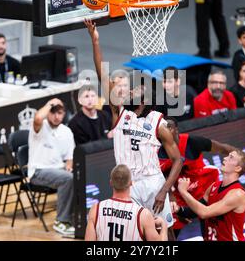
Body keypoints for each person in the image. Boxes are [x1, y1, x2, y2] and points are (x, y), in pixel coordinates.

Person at [85, 19, 183, 233]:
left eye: (134, 90)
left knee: (165, 231)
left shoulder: (158, 121)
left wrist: (164, 190)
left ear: (145, 97)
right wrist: (95, 42)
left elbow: (178, 160)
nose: (129, 92)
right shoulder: (119, 112)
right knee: (135, 233)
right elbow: (102, 74)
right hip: (129, 185)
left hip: (153, 183)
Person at [159, 117, 245, 237]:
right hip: (178, 189)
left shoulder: (192, 142)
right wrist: (174, 201)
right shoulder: (158, 149)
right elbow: (160, 176)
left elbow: (222, 148)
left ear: (176, 130)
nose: (165, 131)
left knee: (210, 223)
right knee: (170, 228)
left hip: (200, 185)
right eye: (163, 128)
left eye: (169, 127)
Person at [175, 145, 245, 241]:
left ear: (237, 168)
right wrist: (178, 209)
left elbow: (204, 212)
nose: (225, 158)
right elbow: (194, 211)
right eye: (228, 156)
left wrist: (184, 192)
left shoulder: (237, 194)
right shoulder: (213, 186)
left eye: (231, 157)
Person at [28, 98, 75, 236]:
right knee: (68, 179)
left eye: (60, 113)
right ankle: (61, 221)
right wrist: (50, 103)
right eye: (53, 113)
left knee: (79, 175)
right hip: (39, 171)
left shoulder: (66, 131)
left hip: (59, 169)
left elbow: (70, 158)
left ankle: (77, 218)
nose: (56, 116)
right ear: (48, 113)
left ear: (64, 114)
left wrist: (69, 166)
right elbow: (37, 117)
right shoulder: (40, 126)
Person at [85, 164, 168, 241]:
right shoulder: (143, 214)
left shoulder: (96, 209)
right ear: (131, 183)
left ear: (111, 182)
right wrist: (164, 226)